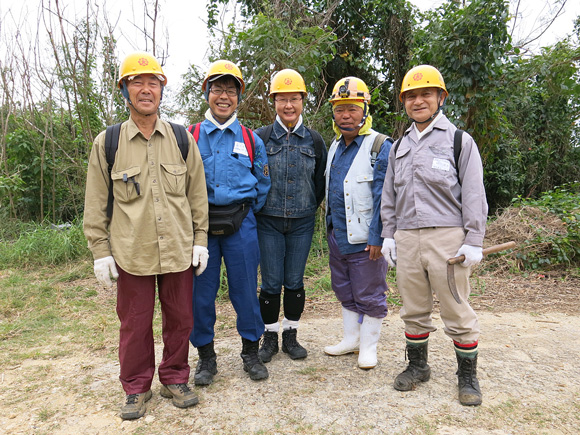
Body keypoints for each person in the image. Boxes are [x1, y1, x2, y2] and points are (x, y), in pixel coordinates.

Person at [83, 51, 209, 420]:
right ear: (124, 90)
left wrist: (200, 239)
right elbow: (95, 203)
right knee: (135, 323)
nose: (145, 89)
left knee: (180, 318)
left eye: (152, 82)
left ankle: (174, 377)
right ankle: (137, 387)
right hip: (131, 252)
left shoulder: (183, 139)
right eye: (136, 82)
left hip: (178, 251)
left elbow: (197, 195)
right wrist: (100, 250)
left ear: (161, 90)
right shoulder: (107, 143)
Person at [380, 65, 488, 406]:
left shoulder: (458, 141)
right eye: (411, 95)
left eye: (426, 93)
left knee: (456, 308)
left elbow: (474, 194)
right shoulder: (398, 147)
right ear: (404, 103)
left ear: (441, 97)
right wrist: (389, 235)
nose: (418, 100)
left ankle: (467, 376)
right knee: (413, 308)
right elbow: (389, 197)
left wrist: (474, 240)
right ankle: (418, 367)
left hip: (448, 239)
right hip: (408, 238)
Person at [189, 60, 271, 385]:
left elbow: (262, 186)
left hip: (242, 226)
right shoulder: (189, 137)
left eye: (230, 90)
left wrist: (244, 214)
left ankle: (251, 352)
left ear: (239, 96)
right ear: (208, 92)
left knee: (246, 291)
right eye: (218, 89)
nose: (224, 96)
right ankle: (206, 359)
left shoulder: (252, 140)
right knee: (200, 293)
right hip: (201, 229)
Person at [254, 69, 327, 363]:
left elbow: (320, 183)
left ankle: (291, 335)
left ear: (302, 100)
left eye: (294, 99)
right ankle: (269, 337)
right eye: (282, 99)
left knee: (294, 281)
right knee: (271, 282)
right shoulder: (260, 137)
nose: (288, 105)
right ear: (273, 101)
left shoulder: (314, 140)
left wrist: (306, 206)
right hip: (268, 221)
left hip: (302, 222)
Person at [323, 76, 392, 369]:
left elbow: (385, 198)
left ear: (364, 108)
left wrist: (379, 236)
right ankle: (351, 339)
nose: (345, 115)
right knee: (344, 288)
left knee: (369, 292)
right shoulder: (335, 145)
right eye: (340, 109)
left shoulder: (379, 145)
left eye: (352, 108)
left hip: (367, 239)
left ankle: (369, 347)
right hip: (338, 234)